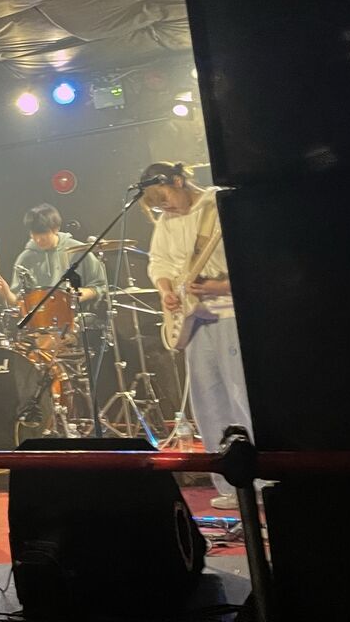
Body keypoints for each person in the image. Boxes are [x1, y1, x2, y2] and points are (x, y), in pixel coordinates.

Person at [139, 162, 250, 510]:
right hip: (193, 319)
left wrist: (220, 286)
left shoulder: (217, 205)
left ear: (179, 181)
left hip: (229, 313)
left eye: (165, 198)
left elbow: (249, 257)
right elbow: (158, 262)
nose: (165, 207)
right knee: (207, 401)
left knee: (241, 397)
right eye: (157, 205)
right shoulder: (167, 222)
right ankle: (228, 484)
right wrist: (166, 291)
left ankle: (258, 480)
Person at [0, 203, 108, 317]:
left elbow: (101, 286)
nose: (38, 239)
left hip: (76, 320)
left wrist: (81, 293)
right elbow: (18, 303)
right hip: (38, 323)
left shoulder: (78, 250)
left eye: (43, 234)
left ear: (56, 229)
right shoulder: (25, 259)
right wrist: (7, 294)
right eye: (34, 234)